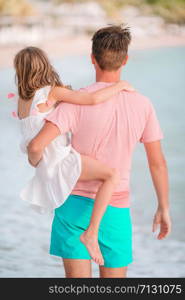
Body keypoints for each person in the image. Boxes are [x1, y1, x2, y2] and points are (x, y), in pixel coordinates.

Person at [27, 25, 171, 278]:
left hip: (73, 203)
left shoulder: (74, 101)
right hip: (116, 207)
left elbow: (37, 146)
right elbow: (157, 163)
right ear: (125, 60)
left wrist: (39, 165)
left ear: (92, 59)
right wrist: (163, 207)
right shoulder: (143, 104)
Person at [14, 46, 135, 266]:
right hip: (60, 159)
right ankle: (91, 233)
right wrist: (120, 86)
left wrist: (35, 162)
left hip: (45, 165)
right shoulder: (52, 91)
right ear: (44, 64)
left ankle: (84, 233)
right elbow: (92, 100)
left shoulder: (23, 100)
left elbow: (33, 144)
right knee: (111, 175)